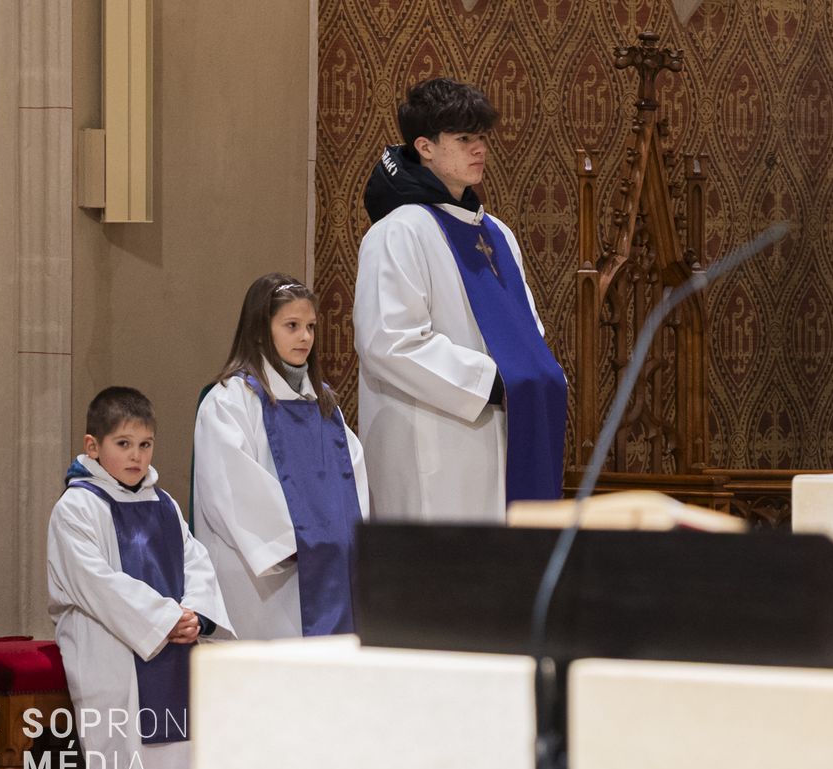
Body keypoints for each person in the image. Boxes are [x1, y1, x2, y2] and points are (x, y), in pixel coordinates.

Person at [354, 78, 569, 519]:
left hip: (504, 437)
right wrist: (489, 382)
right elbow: (389, 342)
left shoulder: (498, 234)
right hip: (433, 446)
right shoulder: (398, 231)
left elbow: (527, 329)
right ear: (425, 147)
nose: (480, 149)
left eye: (482, 137)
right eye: (464, 139)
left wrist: (530, 375)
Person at [48, 386, 230, 769]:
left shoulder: (164, 504)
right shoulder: (77, 507)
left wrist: (194, 613)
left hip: (172, 649)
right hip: (111, 649)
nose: (136, 456)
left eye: (145, 444)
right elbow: (96, 583)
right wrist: (166, 620)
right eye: (123, 443)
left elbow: (196, 562)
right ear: (93, 446)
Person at [193, 274, 369, 639]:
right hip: (266, 581)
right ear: (260, 331)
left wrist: (347, 540)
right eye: (292, 326)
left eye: (310, 326)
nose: (305, 337)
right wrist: (296, 542)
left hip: (328, 567)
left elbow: (351, 480)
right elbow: (232, 488)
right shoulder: (230, 400)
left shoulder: (324, 404)